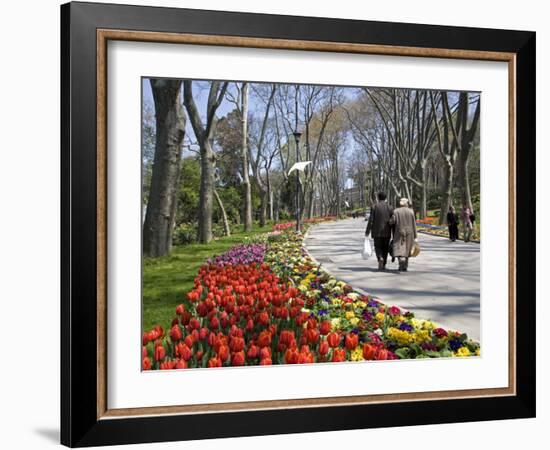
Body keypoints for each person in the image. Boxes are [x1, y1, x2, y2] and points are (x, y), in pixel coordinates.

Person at [365, 192, 394, 270]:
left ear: (378, 198)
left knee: (377, 247)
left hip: (376, 232)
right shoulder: (390, 207)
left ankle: (380, 258)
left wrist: (367, 231)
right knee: (385, 248)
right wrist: (394, 233)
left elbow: (371, 220)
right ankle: (383, 264)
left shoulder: (374, 207)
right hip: (387, 232)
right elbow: (393, 221)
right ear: (385, 198)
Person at [389, 198, 418, 272]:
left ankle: (401, 261)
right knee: (407, 249)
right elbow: (413, 224)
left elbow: (392, 221)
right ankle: (405, 266)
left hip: (399, 231)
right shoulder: (411, 211)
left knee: (399, 248)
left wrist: (389, 221)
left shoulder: (396, 211)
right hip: (409, 232)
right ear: (406, 203)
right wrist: (415, 236)